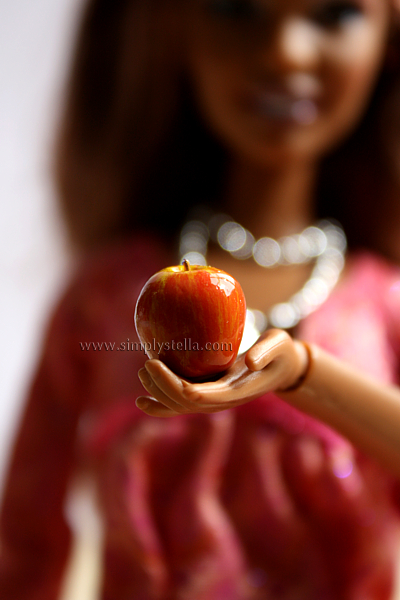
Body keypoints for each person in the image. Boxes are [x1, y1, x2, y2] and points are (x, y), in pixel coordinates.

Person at [2, 0, 400, 598]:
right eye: (235, 9)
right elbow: (24, 537)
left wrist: (304, 375)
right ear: (169, 30)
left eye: (336, 13)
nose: (285, 52)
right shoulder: (108, 297)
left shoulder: (383, 302)